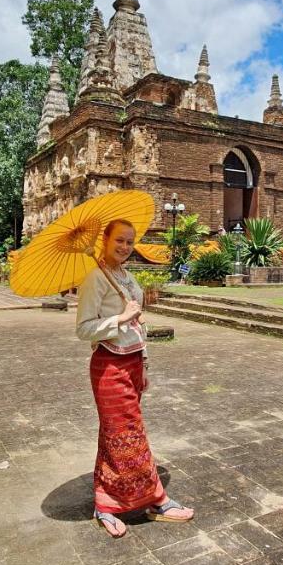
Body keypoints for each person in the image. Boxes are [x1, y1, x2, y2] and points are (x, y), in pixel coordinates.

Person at [77, 219, 194, 538]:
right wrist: (121, 317)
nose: (125, 247)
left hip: (131, 364)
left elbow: (138, 330)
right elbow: (83, 328)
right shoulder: (94, 279)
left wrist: (144, 365)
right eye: (120, 241)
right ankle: (157, 500)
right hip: (109, 367)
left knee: (112, 436)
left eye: (130, 242)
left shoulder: (126, 278)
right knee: (130, 435)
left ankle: (103, 503)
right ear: (105, 239)